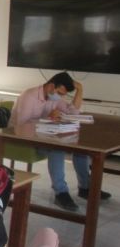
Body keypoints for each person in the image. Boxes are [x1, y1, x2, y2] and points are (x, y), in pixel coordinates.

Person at [9, 72, 111, 211]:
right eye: (60, 93)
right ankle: (61, 193)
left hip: (43, 135)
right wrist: (48, 118)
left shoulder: (53, 96)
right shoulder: (29, 96)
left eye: (63, 94)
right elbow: (21, 126)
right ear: (51, 86)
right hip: (21, 138)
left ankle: (85, 188)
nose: (60, 97)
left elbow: (72, 113)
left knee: (81, 150)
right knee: (57, 149)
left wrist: (80, 90)